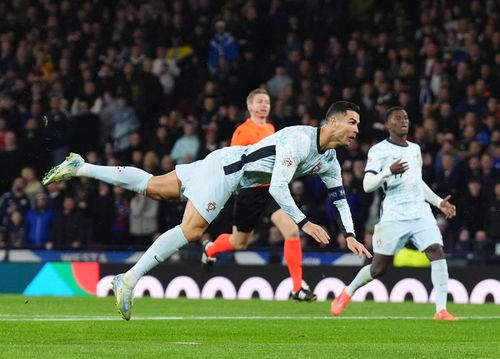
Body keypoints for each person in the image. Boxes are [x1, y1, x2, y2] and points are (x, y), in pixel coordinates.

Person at [42, 100, 371, 320]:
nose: (357, 129)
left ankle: (81, 167)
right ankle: (128, 279)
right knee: (193, 230)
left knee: (153, 187)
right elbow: (277, 187)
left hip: (224, 163)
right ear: (332, 121)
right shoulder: (298, 142)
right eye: (352, 122)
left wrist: (351, 234)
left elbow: (339, 197)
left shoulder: (329, 161)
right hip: (227, 175)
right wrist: (304, 222)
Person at [330, 107, 458, 321]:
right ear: (388, 125)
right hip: (394, 215)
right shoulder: (378, 151)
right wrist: (388, 171)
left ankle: (441, 310)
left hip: (420, 213)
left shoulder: (415, 149)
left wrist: (438, 203)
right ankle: (347, 292)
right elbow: (367, 185)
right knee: (378, 268)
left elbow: (417, 182)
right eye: (398, 119)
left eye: (406, 118)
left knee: (436, 251)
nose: (403, 121)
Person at [202, 88, 316, 302]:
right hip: (249, 192)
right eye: (260, 102)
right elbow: (233, 160)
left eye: (267, 102)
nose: (264, 105)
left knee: (292, 231)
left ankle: (298, 288)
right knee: (239, 243)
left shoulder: (272, 128)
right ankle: (210, 249)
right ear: (250, 107)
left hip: (272, 188)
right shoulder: (242, 131)